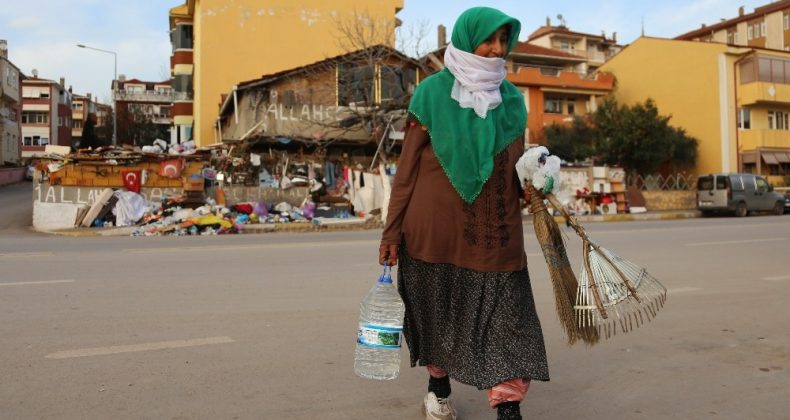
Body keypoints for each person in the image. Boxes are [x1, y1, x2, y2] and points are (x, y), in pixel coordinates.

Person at [379, 7, 549, 420]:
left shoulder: (511, 100)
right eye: (488, 39)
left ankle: (508, 408)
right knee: (437, 318)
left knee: (508, 325)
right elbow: (406, 173)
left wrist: (535, 183)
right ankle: (438, 389)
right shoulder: (431, 94)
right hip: (431, 234)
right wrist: (390, 233)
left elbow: (515, 167)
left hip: (496, 235)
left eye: (503, 40)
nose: (496, 49)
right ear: (467, 37)